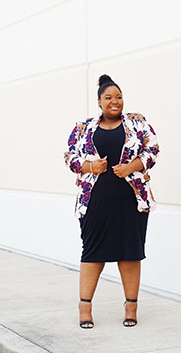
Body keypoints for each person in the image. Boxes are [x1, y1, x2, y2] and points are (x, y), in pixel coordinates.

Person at [64, 74, 160, 328]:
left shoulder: (137, 123)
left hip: (132, 201)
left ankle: (131, 308)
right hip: (94, 201)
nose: (114, 101)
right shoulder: (83, 128)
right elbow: (69, 157)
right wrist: (90, 165)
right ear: (99, 102)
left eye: (118, 97)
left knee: (130, 253)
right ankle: (84, 308)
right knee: (92, 253)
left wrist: (132, 167)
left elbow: (153, 149)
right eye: (108, 97)